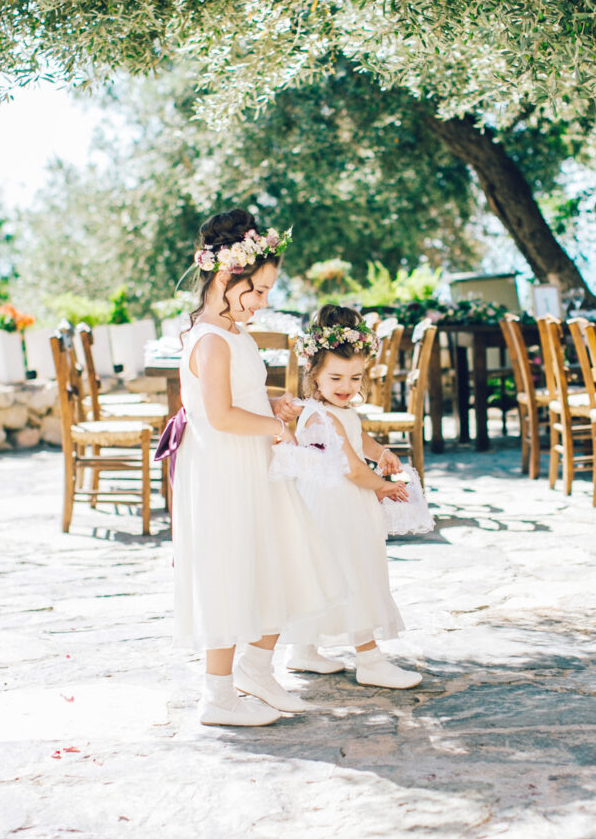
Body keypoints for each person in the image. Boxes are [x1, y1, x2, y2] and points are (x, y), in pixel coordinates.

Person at [170, 209, 345, 726]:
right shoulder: (210, 339)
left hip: (250, 462)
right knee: (232, 566)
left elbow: (233, 399)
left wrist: (272, 404)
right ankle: (217, 696)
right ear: (227, 277)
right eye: (258, 290)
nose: (264, 301)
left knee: (275, 559)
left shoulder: (233, 333)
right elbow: (220, 415)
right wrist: (272, 428)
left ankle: (255, 668)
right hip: (226, 468)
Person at [285, 305, 423, 689]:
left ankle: (303, 649)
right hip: (335, 506)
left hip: (343, 502)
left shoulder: (337, 410)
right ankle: (370, 660)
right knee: (354, 573)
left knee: (331, 573)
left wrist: (382, 453)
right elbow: (349, 466)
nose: (347, 386)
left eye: (356, 377)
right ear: (312, 374)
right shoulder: (318, 416)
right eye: (335, 377)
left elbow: (358, 439)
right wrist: (384, 486)